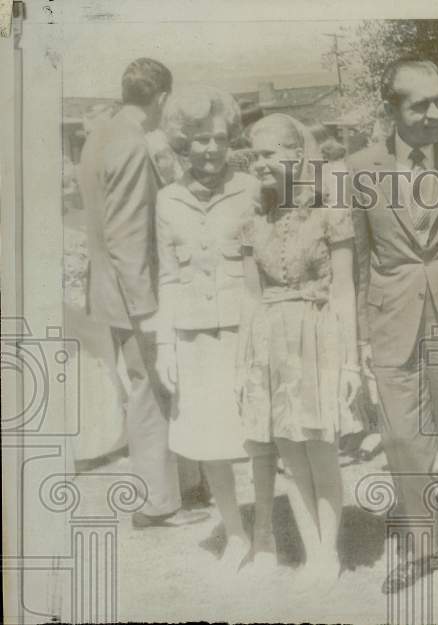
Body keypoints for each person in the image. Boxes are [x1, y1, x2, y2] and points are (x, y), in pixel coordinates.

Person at [347, 59, 438, 597]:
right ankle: (421, 547)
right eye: (420, 104)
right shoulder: (361, 166)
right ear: (393, 108)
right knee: (403, 442)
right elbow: (361, 260)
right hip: (393, 321)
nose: (435, 113)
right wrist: (360, 337)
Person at [77, 58, 204, 529]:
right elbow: (128, 235)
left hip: (109, 293)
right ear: (163, 98)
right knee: (151, 395)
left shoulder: (99, 135)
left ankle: (174, 491)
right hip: (134, 295)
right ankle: (158, 504)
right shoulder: (131, 144)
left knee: (145, 392)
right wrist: (147, 311)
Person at [238, 113, 362, 580]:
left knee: (320, 448)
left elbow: (346, 289)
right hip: (272, 343)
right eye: (254, 156)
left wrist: (350, 363)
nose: (259, 165)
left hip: (319, 335)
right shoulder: (252, 220)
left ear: (297, 155)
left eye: (268, 154)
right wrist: (246, 363)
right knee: (289, 450)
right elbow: (251, 298)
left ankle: (329, 551)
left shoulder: (332, 212)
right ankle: (311, 551)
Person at [155, 86, 260, 570]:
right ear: (181, 141)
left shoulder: (252, 189)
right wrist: (165, 346)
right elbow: (169, 276)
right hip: (194, 337)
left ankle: (266, 536)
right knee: (211, 441)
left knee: (259, 435)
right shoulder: (167, 201)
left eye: (218, 138)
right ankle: (235, 533)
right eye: (199, 139)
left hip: (247, 331)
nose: (210, 149)